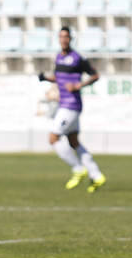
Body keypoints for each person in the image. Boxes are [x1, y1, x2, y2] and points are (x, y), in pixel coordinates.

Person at [37, 26, 106, 193]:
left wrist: (78, 85)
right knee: (74, 142)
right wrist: (46, 78)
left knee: (53, 138)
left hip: (71, 105)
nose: (63, 39)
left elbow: (95, 75)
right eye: (61, 37)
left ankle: (77, 169)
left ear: (70, 39)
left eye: (66, 37)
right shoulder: (58, 58)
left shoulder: (77, 58)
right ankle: (96, 175)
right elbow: (59, 77)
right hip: (65, 105)